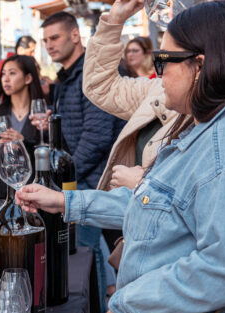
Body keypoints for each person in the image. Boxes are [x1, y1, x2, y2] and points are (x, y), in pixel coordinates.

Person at [17, 1, 225, 313]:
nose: (157, 74)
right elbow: (161, 209)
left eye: (164, 60)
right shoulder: (209, 124)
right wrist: (67, 203)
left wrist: (129, 302)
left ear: (199, 65)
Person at [40, 11, 123, 312]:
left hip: (95, 177)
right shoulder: (67, 76)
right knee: (91, 252)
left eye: (55, 37)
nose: (49, 45)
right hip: (83, 175)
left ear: (75, 36)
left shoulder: (90, 71)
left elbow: (98, 136)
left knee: (89, 253)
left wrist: (66, 177)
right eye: (46, 40)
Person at [82, 2, 179, 257]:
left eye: (167, 59)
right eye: (159, 60)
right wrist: (114, 20)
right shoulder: (159, 88)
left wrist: (143, 183)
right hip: (141, 240)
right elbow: (100, 87)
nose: (161, 71)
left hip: (168, 259)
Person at [0, 55, 46, 199]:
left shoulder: (41, 114)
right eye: (3, 74)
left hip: (34, 193)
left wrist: (23, 142)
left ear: (28, 78)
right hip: (2, 193)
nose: (6, 79)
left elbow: (50, 153)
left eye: (12, 73)